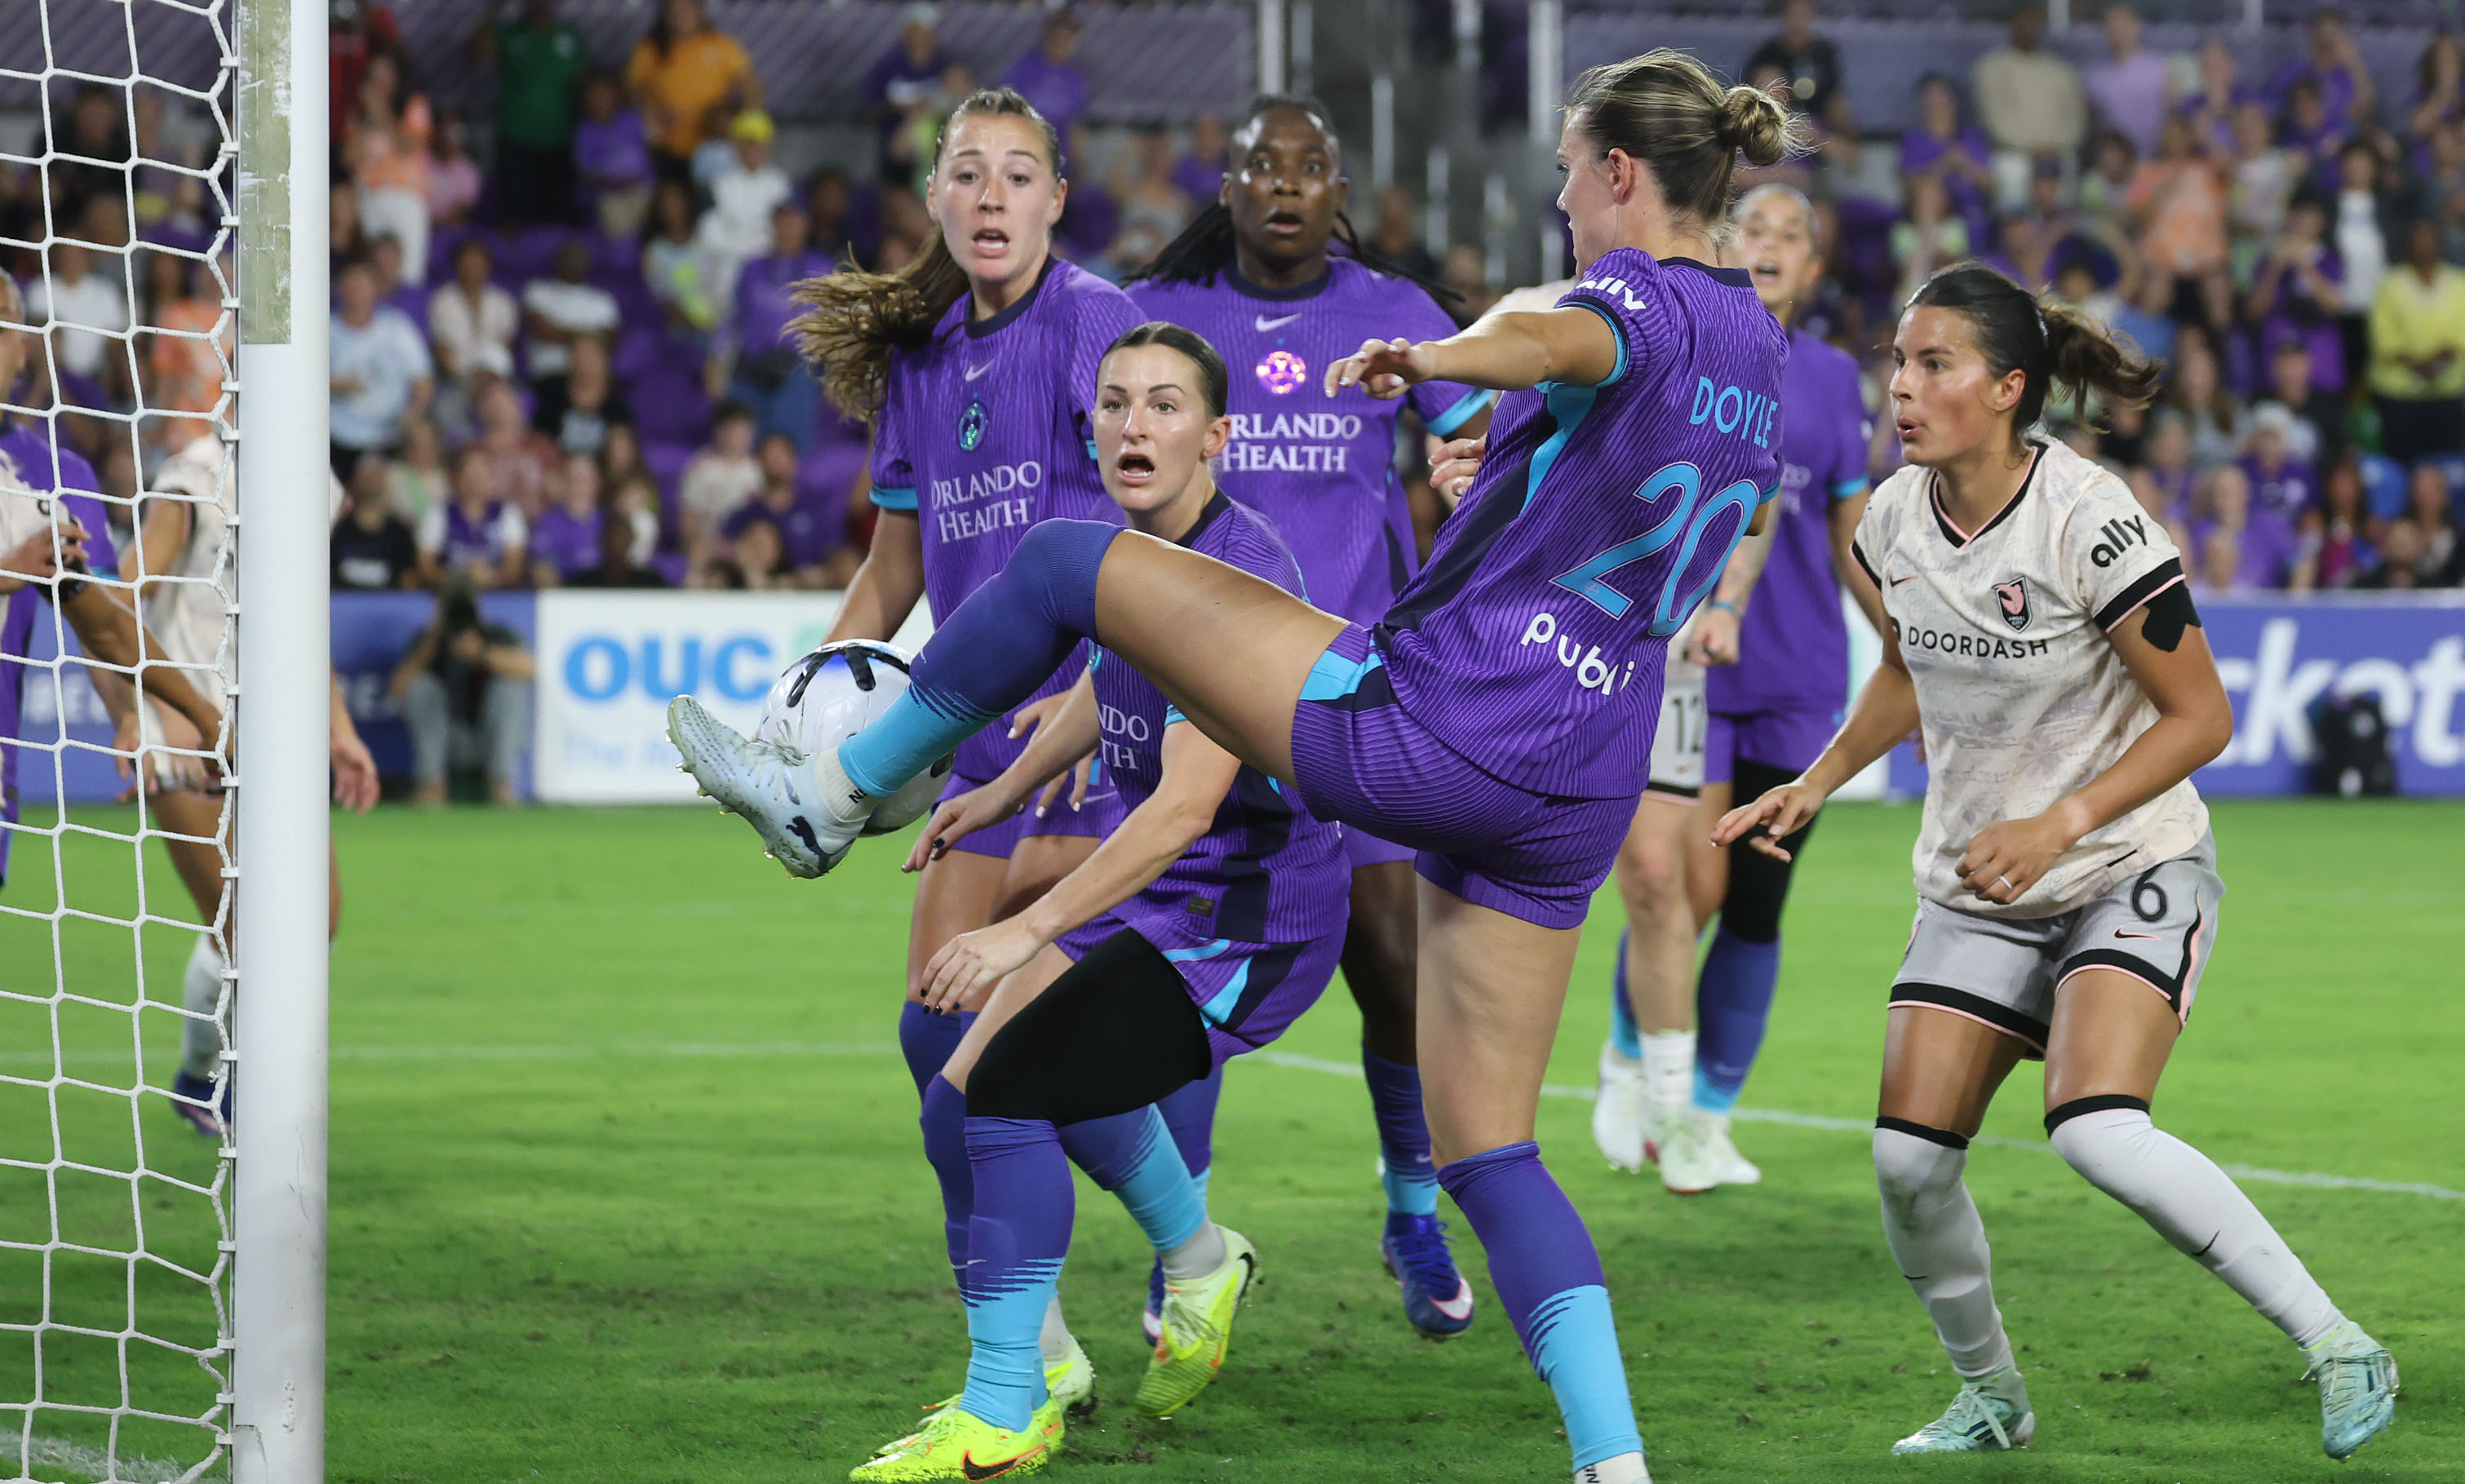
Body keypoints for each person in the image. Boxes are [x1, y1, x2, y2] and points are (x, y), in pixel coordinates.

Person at [673, 52, 1795, 1484]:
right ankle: (1613, 1463)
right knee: (1493, 1155)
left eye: (1574, 171)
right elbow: (1603, 444)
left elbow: (1565, 338)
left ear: (1622, 176)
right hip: (1579, 773)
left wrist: (1439, 362)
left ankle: (826, 792)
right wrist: (1487, 473)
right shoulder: (1753, 339)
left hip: (1448, 720)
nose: (1565, 196)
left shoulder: (1622, 296)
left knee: (1074, 561)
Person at [1716, 261, 2396, 1462]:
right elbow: (1902, 668)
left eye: (1934, 364)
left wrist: (2056, 822)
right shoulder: (1888, 518)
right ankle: (1993, 1396)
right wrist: (1814, 783)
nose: (1904, 386)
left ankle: (2338, 1339)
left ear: (2007, 386)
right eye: (1898, 361)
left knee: (2093, 1125)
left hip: (2127, 861)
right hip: (1984, 882)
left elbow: (2202, 717)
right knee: (1908, 1163)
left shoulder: (2094, 518)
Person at [818, 323, 1359, 1478]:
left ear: (1216, 435)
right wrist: (1004, 785)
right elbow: (1110, 673)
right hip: (1165, 891)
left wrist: (1026, 921)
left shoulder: (1237, 573)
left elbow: (1179, 809)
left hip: (1247, 918)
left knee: (1004, 1090)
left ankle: (1009, 1404)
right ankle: (1171, 1276)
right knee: (945, 1059)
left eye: (1164, 405)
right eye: (1114, 403)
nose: (1131, 425)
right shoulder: (1130, 552)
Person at [761, 91, 1162, 1440]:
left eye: (1018, 176)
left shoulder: (1094, 326)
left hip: (1097, 736)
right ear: (935, 201)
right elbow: (892, 567)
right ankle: (1054, 1337)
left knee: (1031, 1052)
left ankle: (1146, 1276)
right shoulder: (924, 358)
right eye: (968, 177)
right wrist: (806, 719)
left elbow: (1149, 541)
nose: (991, 199)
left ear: (1058, 199)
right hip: (971, 742)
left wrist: (1102, 709)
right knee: (943, 1041)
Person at [1128, 94, 1494, 1338]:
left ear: (1339, 191)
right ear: (1224, 187)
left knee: (1392, 968)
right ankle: (1186, 1246)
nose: (1285, 185)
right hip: (1203, 697)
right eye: (1260, 166)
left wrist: (1467, 466)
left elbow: (1483, 447)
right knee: (1178, 982)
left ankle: (1409, 1208)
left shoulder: (1395, 313)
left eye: (1310, 168)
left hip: (1356, 697)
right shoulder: (1165, 326)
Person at [1583, 183, 1882, 1194]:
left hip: (1798, 676)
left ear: (1812, 263)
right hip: (1687, 657)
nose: (1768, 243)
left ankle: (1705, 1116)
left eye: (1791, 233)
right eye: (1751, 227)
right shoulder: (1683, 345)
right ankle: (1631, 1059)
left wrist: (1902, 643)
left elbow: (1851, 532)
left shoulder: (1838, 382)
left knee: (1755, 898)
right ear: (1723, 241)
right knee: (1679, 880)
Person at [134, 433, 375, 1138]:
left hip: (275, 732)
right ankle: (230, 1087)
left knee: (316, 923)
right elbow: (118, 599)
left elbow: (302, 619)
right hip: (187, 733)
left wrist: (339, 729)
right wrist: (142, 713)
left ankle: (195, 1078)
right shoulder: (194, 480)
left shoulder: (314, 484)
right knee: (246, 932)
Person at [392, 581, 535, 807]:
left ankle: (501, 784)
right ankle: (431, 784)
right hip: (447, 740)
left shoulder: (495, 635)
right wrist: (432, 643)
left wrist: (481, 653)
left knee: (510, 689)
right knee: (421, 687)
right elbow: (398, 690)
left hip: (489, 738)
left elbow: (529, 669)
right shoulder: (428, 642)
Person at [718, 200, 833, 454]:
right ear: (772, 223)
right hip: (751, 367)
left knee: (788, 452)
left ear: (806, 224)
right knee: (739, 451)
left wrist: (836, 369)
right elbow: (732, 319)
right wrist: (716, 359)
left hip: (796, 370)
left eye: (794, 219)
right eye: (781, 219)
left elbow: (838, 327)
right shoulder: (752, 268)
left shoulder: (822, 269)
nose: (788, 226)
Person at [473, 0, 587, 228]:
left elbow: (585, 86)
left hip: (560, 138)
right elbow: (475, 55)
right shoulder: (508, 34)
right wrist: (491, 11)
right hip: (515, 138)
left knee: (556, 218)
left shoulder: (571, 37)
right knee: (513, 217)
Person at [625, 0, 760, 190]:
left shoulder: (720, 44)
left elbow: (750, 85)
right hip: (667, 147)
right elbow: (633, 90)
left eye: (688, 8)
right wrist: (655, 111)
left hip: (713, 148)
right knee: (672, 202)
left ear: (700, 11)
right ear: (666, 15)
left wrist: (745, 125)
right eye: (675, 10)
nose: (682, 15)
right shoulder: (651, 48)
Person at [2369, 219, 2465, 464]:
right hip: (2398, 393)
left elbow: (2460, 333)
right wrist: (2417, 365)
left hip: (2447, 392)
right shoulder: (2390, 285)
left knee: (2446, 464)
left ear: (2440, 243)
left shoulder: (2458, 283)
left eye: (2429, 239)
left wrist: (2439, 361)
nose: (2423, 246)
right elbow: (2383, 337)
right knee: (2402, 462)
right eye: (2417, 240)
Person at [329, 255, 433, 478]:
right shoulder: (327, 331)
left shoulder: (398, 328)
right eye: (351, 283)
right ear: (340, 288)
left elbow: (423, 381)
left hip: (390, 436)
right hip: (337, 437)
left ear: (375, 288)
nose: (357, 289)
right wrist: (334, 386)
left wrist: (412, 413)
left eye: (363, 283)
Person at [1974, 3, 2086, 205]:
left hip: (2056, 152)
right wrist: (2031, 148)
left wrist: (2052, 147)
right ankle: (2014, 230)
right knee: (2010, 170)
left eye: (2034, 21)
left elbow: (2075, 121)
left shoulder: (2061, 71)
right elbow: (1995, 121)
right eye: (2023, 21)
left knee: (2069, 166)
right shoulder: (1992, 68)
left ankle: (2063, 232)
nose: (2028, 27)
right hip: (2015, 154)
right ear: (2012, 25)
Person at [418, 443, 529, 589]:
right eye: (469, 471)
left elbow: (514, 567)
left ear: (492, 477)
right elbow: (426, 567)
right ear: (457, 476)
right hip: (451, 595)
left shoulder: (508, 513)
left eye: (481, 471)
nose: (475, 479)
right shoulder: (438, 513)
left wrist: (492, 578)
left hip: (499, 595)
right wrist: (461, 578)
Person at [519, 237, 620, 398]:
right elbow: (545, 332)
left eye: (578, 257)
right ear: (557, 259)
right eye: (568, 255)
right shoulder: (538, 291)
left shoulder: (602, 301)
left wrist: (564, 333)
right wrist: (588, 336)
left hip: (593, 378)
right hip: (550, 375)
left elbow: (608, 339)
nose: (573, 261)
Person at [573, 69, 654, 241]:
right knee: (619, 232)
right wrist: (615, 182)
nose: (601, 100)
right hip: (610, 196)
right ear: (587, 100)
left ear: (615, 95)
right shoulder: (585, 132)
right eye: (595, 96)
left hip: (643, 188)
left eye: (605, 94)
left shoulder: (631, 119)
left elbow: (648, 152)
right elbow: (585, 173)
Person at [2084, 4, 2170, 158]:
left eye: (2123, 23)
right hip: (2114, 164)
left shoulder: (2159, 70)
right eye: (2112, 25)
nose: (2118, 31)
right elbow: (2093, 126)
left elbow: (2171, 117)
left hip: (2154, 158)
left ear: (2137, 27)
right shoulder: (2095, 77)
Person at [530, 333, 631, 460]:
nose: (584, 365)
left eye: (590, 357)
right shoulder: (549, 394)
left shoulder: (619, 408)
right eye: (578, 357)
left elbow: (621, 458)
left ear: (604, 362)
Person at [333, 454, 421, 591]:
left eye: (377, 474)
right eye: (367, 474)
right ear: (354, 480)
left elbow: (409, 584)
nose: (372, 480)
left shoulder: (400, 534)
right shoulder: (337, 531)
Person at [1003, 9, 1089, 144]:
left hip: (1059, 147)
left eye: (1067, 39)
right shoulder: (1024, 66)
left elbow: (1076, 120)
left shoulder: (1075, 76)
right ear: (1048, 36)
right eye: (1058, 38)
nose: (1062, 44)